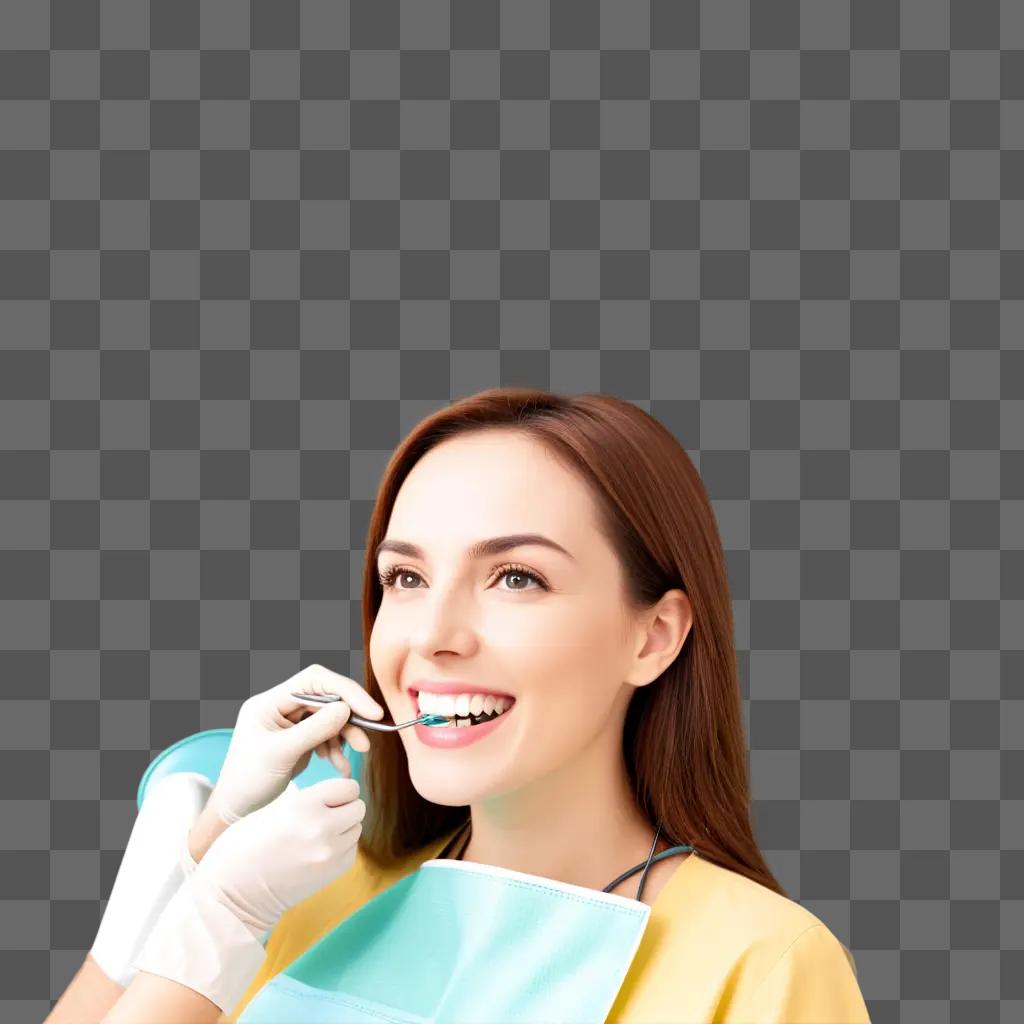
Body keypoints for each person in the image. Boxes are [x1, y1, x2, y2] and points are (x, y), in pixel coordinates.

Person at [49, 387, 872, 1022]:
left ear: (653, 637)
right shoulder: (292, 893)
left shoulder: (763, 965)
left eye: (517, 577)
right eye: (406, 578)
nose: (434, 636)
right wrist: (205, 862)